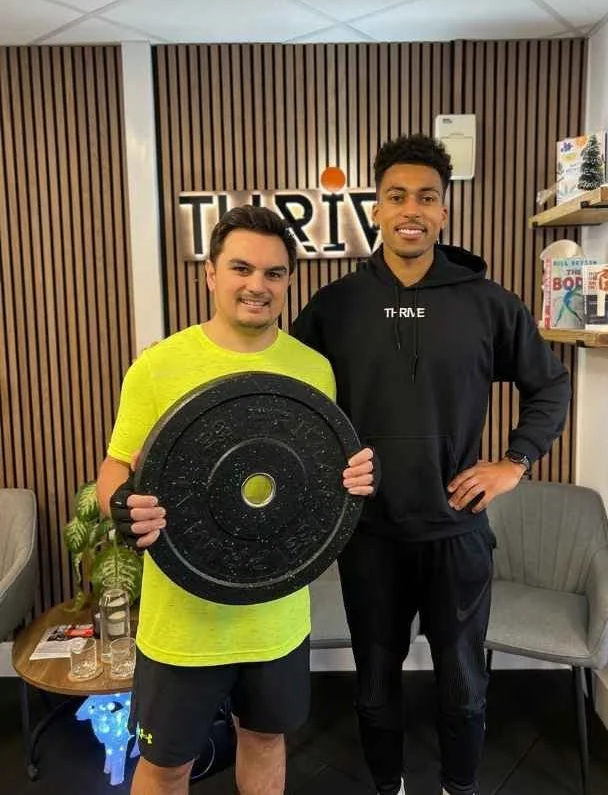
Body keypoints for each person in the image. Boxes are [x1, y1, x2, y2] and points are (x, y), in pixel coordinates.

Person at [291, 134, 571, 795]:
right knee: (375, 683)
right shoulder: (336, 306)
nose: (409, 209)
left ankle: (457, 786)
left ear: (444, 211)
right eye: (395, 196)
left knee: (462, 685)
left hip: (456, 532)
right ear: (376, 209)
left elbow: (549, 385)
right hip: (369, 535)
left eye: (425, 197)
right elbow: (291, 398)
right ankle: (388, 784)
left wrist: (514, 462)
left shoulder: (484, 302)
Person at [96, 205, 376, 795]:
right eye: (241, 268)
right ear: (211, 274)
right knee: (168, 766)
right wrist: (120, 503)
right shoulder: (158, 366)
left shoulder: (313, 370)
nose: (257, 285)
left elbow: (318, 475)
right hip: (182, 622)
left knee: (266, 741)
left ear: (288, 281)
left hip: (275, 617)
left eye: (274, 273)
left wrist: (351, 480)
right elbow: (116, 466)